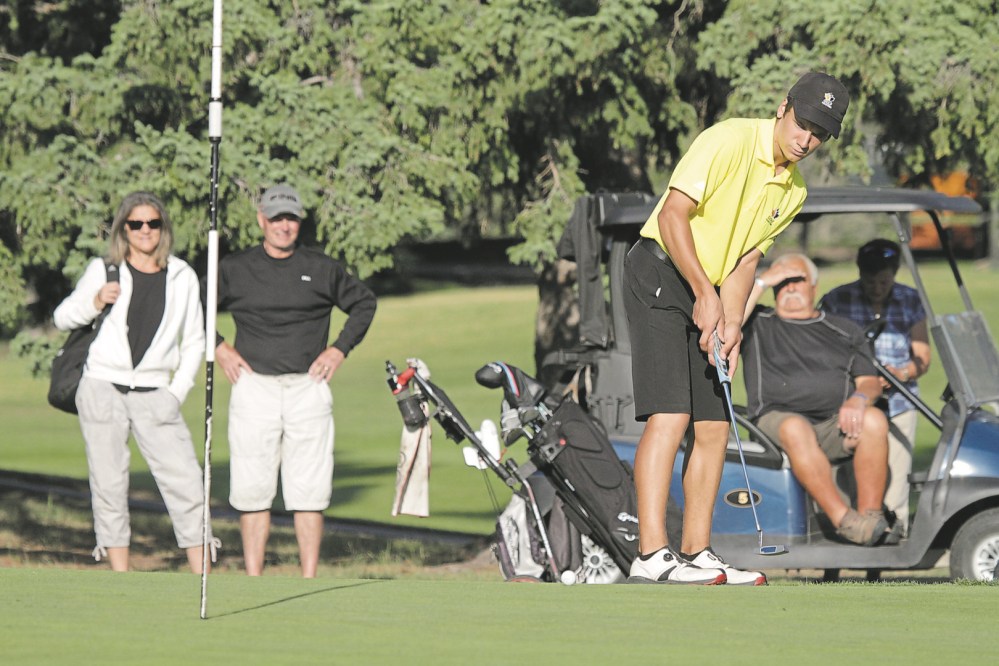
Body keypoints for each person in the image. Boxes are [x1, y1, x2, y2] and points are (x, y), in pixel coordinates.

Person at [623, 71, 850, 584]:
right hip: (659, 268)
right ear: (783, 107)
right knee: (672, 413)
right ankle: (651, 554)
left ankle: (697, 551)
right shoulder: (727, 139)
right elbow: (672, 218)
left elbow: (746, 260)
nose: (806, 139)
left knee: (715, 425)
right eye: (804, 123)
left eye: (820, 133)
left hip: (710, 288)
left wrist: (730, 322)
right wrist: (704, 292)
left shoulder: (792, 191)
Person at [214, 183, 377, 577]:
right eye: (275, 218)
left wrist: (338, 349)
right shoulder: (234, 269)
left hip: (308, 387)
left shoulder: (322, 268)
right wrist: (218, 347)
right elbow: (193, 310)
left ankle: (308, 578)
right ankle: (253, 577)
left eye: (290, 218)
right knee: (253, 490)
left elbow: (364, 303)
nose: (283, 226)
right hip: (254, 387)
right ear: (261, 220)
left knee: (310, 491)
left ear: (299, 222)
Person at [54, 191, 213, 572]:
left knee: (187, 482)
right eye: (136, 224)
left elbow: (194, 341)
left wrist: (177, 392)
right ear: (124, 228)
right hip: (102, 387)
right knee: (108, 484)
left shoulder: (182, 276)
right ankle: (120, 576)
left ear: (163, 228)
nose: (145, 231)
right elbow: (62, 317)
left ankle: (203, 573)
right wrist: (94, 301)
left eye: (153, 223)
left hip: (156, 392)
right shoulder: (104, 269)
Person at [742, 253, 892, 546]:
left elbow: (870, 382)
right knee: (796, 427)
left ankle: (869, 520)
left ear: (813, 285)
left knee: (874, 419)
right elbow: (728, 316)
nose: (790, 288)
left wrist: (859, 399)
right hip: (775, 422)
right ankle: (844, 521)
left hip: (830, 425)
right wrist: (761, 280)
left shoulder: (843, 329)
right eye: (782, 282)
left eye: (796, 280)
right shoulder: (758, 322)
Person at [819, 239, 930, 536]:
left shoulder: (911, 299)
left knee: (895, 487)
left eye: (883, 280)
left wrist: (900, 373)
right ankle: (851, 537)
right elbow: (823, 352)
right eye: (870, 281)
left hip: (898, 403)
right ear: (860, 273)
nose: (877, 287)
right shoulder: (836, 300)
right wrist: (862, 378)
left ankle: (894, 542)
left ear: (894, 274)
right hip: (851, 406)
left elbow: (922, 359)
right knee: (850, 481)